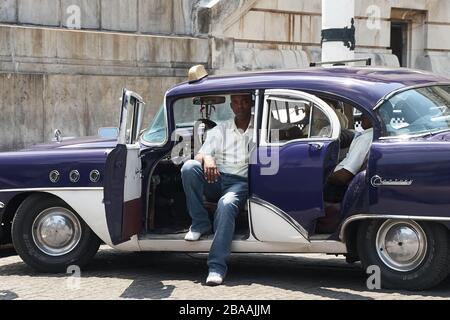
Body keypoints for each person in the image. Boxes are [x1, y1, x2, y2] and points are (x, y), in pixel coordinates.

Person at [181, 94, 253, 286]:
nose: (241, 106)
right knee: (189, 168)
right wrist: (208, 158)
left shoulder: (261, 129)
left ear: (252, 103)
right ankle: (200, 223)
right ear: (231, 106)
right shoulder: (220, 129)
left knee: (226, 204)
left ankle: (216, 266)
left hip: (240, 183)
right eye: (236, 102)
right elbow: (198, 156)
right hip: (217, 178)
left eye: (245, 101)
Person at [324, 113, 374, 203]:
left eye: (365, 114)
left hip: (337, 188)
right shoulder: (368, 135)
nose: (361, 116)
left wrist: (324, 177)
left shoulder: (365, 139)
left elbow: (344, 177)